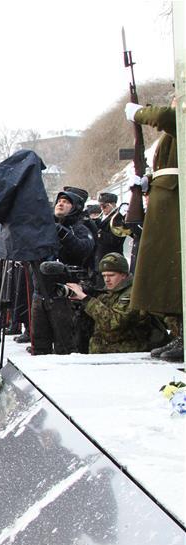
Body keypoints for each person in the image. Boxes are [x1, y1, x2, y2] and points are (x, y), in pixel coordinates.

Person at [126, 100, 182, 360]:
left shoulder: (177, 119)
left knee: (174, 273)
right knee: (167, 273)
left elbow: (165, 117)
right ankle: (180, 334)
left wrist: (138, 113)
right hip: (167, 201)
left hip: (174, 205)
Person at [29, 187, 95, 355]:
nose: (61, 204)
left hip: (65, 295)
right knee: (40, 345)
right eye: (59, 201)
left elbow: (84, 248)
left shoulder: (80, 228)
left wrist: (62, 232)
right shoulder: (44, 228)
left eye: (66, 202)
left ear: (75, 207)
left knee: (66, 346)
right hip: (40, 292)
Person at [65, 252, 155, 354]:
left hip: (127, 355)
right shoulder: (108, 292)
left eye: (111, 275)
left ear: (123, 275)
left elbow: (113, 322)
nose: (107, 280)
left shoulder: (133, 294)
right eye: (104, 276)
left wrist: (86, 299)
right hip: (104, 353)